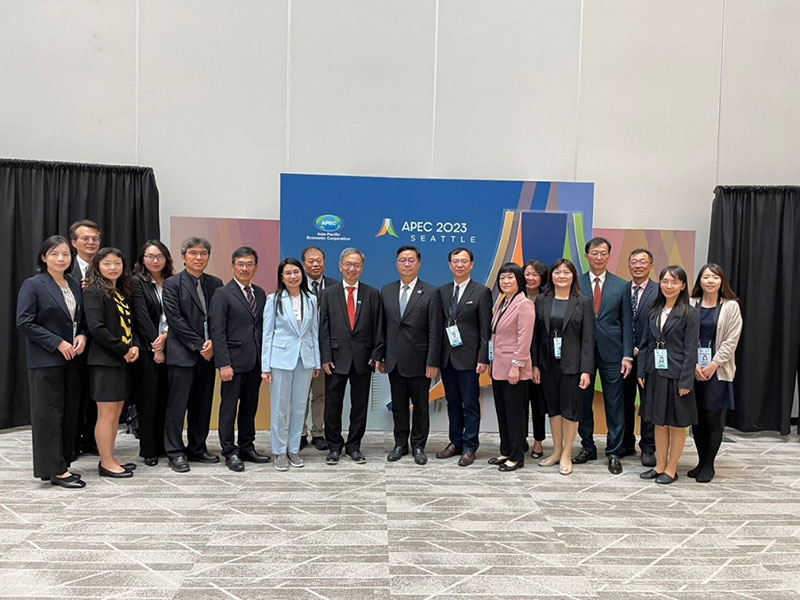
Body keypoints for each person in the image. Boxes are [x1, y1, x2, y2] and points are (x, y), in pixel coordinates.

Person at [16, 236, 88, 488]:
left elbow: (80, 320)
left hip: (73, 359)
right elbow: (24, 321)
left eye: (66, 254)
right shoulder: (33, 284)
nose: (61, 258)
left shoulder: (74, 283)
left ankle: (60, 464)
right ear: (44, 257)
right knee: (48, 415)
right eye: (55, 254)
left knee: (68, 414)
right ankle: (54, 470)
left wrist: (82, 336)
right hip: (45, 360)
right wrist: (57, 342)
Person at [162, 237, 223, 473]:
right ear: (184, 257)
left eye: (203, 253)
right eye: (194, 253)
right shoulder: (172, 284)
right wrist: (199, 344)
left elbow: (219, 317)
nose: (199, 258)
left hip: (208, 355)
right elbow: (175, 319)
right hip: (183, 354)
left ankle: (197, 447)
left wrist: (214, 345)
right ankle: (175, 452)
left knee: (202, 404)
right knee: (177, 406)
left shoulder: (215, 283)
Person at [319, 248, 384, 465]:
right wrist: (325, 356)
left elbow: (378, 328)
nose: (352, 268)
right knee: (333, 406)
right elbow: (323, 328)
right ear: (340, 266)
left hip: (362, 360)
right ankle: (334, 446)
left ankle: (354, 446)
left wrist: (376, 355)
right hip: (335, 359)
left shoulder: (372, 294)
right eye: (348, 264)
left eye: (356, 265)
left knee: (359, 406)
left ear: (362, 268)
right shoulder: (328, 294)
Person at [380, 246, 443, 465]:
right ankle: (400, 444)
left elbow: (435, 330)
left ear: (419, 264)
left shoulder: (431, 292)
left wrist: (433, 361)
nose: (406, 264)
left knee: (420, 406)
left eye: (411, 260)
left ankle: (418, 445)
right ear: (396, 264)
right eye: (402, 260)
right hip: (394, 361)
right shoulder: (386, 291)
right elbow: (382, 327)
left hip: (420, 361)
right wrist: (381, 356)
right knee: (398, 406)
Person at [575, 237, 634, 475]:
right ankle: (587, 447)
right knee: (583, 403)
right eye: (594, 253)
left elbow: (627, 323)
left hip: (613, 353)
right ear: (587, 255)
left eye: (603, 253)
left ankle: (614, 452)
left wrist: (627, 355)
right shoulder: (576, 283)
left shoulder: (621, 286)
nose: (598, 257)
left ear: (609, 256)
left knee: (615, 403)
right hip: (583, 353)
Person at [209, 247, 270, 471]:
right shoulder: (222, 293)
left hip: (255, 362)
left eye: (250, 264)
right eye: (241, 264)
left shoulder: (261, 293)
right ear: (233, 266)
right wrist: (223, 363)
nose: (245, 268)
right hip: (232, 364)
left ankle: (247, 446)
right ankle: (229, 450)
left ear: (256, 267)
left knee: (249, 407)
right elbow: (218, 331)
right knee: (229, 408)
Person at [531, 259, 594, 475]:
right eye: (557, 272)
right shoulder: (542, 300)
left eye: (566, 272)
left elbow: (588, 339)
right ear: (552, 276)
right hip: (548, 365)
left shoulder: (583, 302)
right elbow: (536, 336)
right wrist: (536, 365)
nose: (562, 276)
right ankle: (556, 451)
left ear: (573, 276)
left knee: (570, 410)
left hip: (573, 366)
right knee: (554, 410)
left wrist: (586, 369)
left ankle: (567, 453)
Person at [638, 265, 699, 484]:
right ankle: (659, 465)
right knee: (658, 423)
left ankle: (672, 469)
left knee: (677, 424)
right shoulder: (654, 310)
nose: (669, 286)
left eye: (674, 282)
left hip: (677, 375)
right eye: (665, 281)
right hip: (655, 373)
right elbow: (645, 343)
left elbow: (691, 349)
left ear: (683, 285)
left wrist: (686, 380)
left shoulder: (689, 313)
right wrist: (642, 370)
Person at [83, 247, 140, 478]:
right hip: (105, 361)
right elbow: (97, 328)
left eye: (117, 263)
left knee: (116, 412)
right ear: (97, 267)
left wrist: (133, 345)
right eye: (107, 264)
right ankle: (106, 462)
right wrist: (124, 350)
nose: (113, 268)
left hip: (121, 360)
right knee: (106, 413)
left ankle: (111, 457)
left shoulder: (121, 292)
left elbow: (130, 324)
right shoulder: (93, 291)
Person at [261, 258, 321, 471]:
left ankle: (293, 449)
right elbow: (267, 334)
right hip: (280, 359)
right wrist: (265, 367)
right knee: (279, 408)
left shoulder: (311, 299)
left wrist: (316, 362)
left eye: (296, 272)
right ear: (281, 277)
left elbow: (314, 332)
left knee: (298, 407)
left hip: (304, 359)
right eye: (288, 273)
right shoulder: (274, 299)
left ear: (302, 274)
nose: (293, 276)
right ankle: (278, 451)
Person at [435, 248, 492, 467]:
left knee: (470, 404)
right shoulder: (442, 291)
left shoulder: (481, 292)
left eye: (464, 261)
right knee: (452, 403)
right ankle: (455, 442)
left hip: (470, 359)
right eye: (455, 261)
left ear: (472, 264)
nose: (459, 265)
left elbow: (485, 330)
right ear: (450, 265)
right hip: (447, 358)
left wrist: (483, 357)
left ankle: (470, 446)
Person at [689, 263, 742, 483]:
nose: (710, 281)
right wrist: (693, 364)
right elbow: (682, 336)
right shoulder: (691, 304)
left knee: (713, 418)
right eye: (706, 277)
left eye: (715, 277)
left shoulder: (731, 307)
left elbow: (731, 340)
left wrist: (714, 364)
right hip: (694, 371)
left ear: (722, 282)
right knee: (697, 418)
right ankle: (700, 461)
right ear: (699, 281)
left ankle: (709, 464)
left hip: (718, 371)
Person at [488, 262, 535, 472]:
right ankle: (505, 449)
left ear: (519, 281)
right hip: (499, 366)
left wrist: (517, 365)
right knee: (503, 412)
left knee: (515, 414)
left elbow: (524, 338)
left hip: (514, 368)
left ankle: (516, 456)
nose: (505, 281)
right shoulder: (502, 302)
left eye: (510, 278)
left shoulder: (524, 304)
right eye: (502, 278)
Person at [131, 240, 173, 466]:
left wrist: (166, 337)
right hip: (148, 351)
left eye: (159, 256)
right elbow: (141, 317)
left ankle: (163, 444)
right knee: (148, 401)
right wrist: (156, 346)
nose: (155, 261)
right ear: (142, 259)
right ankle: (148, 449)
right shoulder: (137, 281)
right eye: (150, 256)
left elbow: (176, 314)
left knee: (166, 400)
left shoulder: (172, 281)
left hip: (172, 346)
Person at [68, 219, 102, 457]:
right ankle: (70, 445)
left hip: (100, 344)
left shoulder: (108, 266)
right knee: (72, 397)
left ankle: (92, 442)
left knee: (95, 396)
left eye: (95, 239)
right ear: (73, 242)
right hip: (72, 343)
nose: (91, 243)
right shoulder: (64, 267)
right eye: (85, 238)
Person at [623, 248, 658, 467]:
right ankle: (626, 443)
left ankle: (648, 447)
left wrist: (640, 348)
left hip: (649, 356)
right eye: (634, 261)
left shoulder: (659, 290)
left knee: (648, 404)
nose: (638, 265)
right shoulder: (622, 289)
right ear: (628, 265)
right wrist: (628, 349)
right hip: (624, 357)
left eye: (643, 262)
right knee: (623, 402)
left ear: (651, 265)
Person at [301, 246, 337, 451]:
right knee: (300, 394)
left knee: (321, 394)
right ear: (304, 263)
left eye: (319, 260)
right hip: (302, 350)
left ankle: (318, 432)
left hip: (325, 350)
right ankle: (300, 432)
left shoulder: (334, 285)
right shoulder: (295, 284)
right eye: (311, 260)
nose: (315, 264)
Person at [524, 259, 549, 458]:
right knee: (519, 403)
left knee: (538, 404)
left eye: (535, 274)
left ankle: (538, 441)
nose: (530, 278)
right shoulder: (514, 297)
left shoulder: (547, 299)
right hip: (517, 360)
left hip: (539, 361)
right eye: (527, 274)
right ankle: (520, 438)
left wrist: (537, 364)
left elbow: (543, 337)